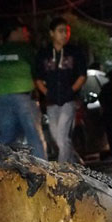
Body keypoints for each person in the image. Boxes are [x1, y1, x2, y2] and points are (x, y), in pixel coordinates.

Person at [34, 17, 86, 163]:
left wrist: (71, 91)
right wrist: (47, 93)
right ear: (52, 33)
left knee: (62, 137)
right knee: (57, 137)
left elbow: (82, 76)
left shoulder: (74, 52)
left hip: (68, 101)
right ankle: (75, 162)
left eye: (66, 31)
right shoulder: (44, 54)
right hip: (51, 102)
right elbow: (37, 78)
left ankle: (62, 170)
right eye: (60, 31)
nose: (64, 35)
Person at [0, 21, 47, 159]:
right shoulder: (25, 49)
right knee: (34, 136)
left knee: (7, 139)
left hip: (2, 98)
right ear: (14, 31)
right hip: (24, 98)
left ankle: (2, 166)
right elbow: (36, 72)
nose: (27, 33)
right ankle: (42, 168)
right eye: (24, 30)